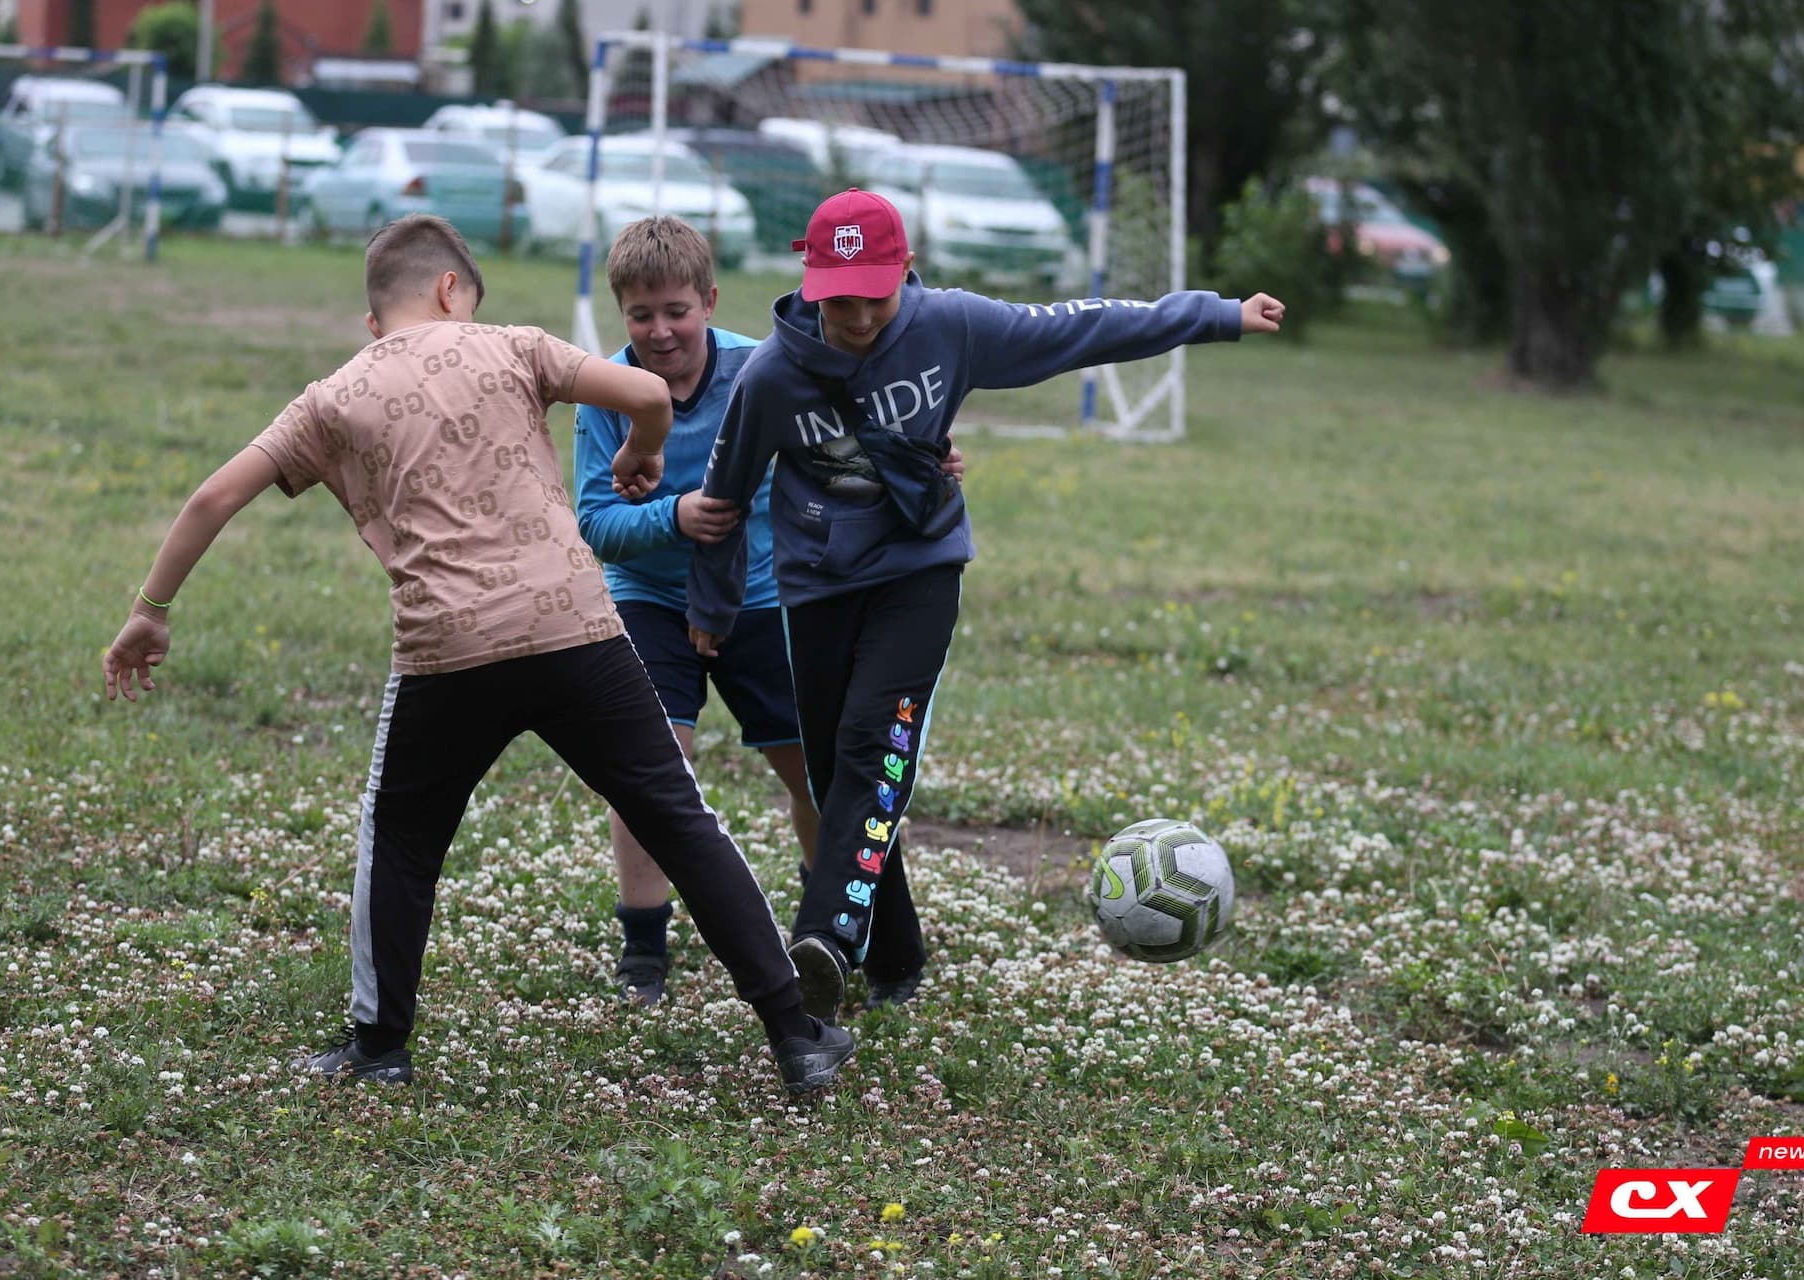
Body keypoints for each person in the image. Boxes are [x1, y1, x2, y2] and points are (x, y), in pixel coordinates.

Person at [101, 213, 854, 1092]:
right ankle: (796, 1034)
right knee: (680, 822)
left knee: (403, 843)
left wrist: (150, 611)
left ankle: (379, 1049)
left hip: (447, 648)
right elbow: (648, 396)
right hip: (575, 628)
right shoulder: (516, 346)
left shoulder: (333, 394)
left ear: (377, 320)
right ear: (454, 290)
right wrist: (643, 460)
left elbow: (212, 497)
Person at [687, 188, 1285, 1020]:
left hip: (919, 569)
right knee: (839, 781)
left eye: (874, 292)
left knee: (873, 746)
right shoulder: (773, 375)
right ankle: (896, 958)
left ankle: (822, 941)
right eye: (839, 296)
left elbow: (1079, 327)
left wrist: (1213, 315)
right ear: (812, 280)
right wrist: (712, 609)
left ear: (904, 273)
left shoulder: (951, 326)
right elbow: (723, 496)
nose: (857, 314)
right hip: (818, 587)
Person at [575, 215, 964, 1006]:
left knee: (823, 778)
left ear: (709, 301)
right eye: (641, 316)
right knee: (651, 769)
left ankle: (837, 927)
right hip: (652, 602)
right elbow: (592, 523)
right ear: (622, 317)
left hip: (767, 602)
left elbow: (859, 436)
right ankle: (643, 954)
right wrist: (672, 516)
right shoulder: (606, 392)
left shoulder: (767, 367)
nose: (661, 331)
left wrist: (931, 454)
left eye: (677, 311)